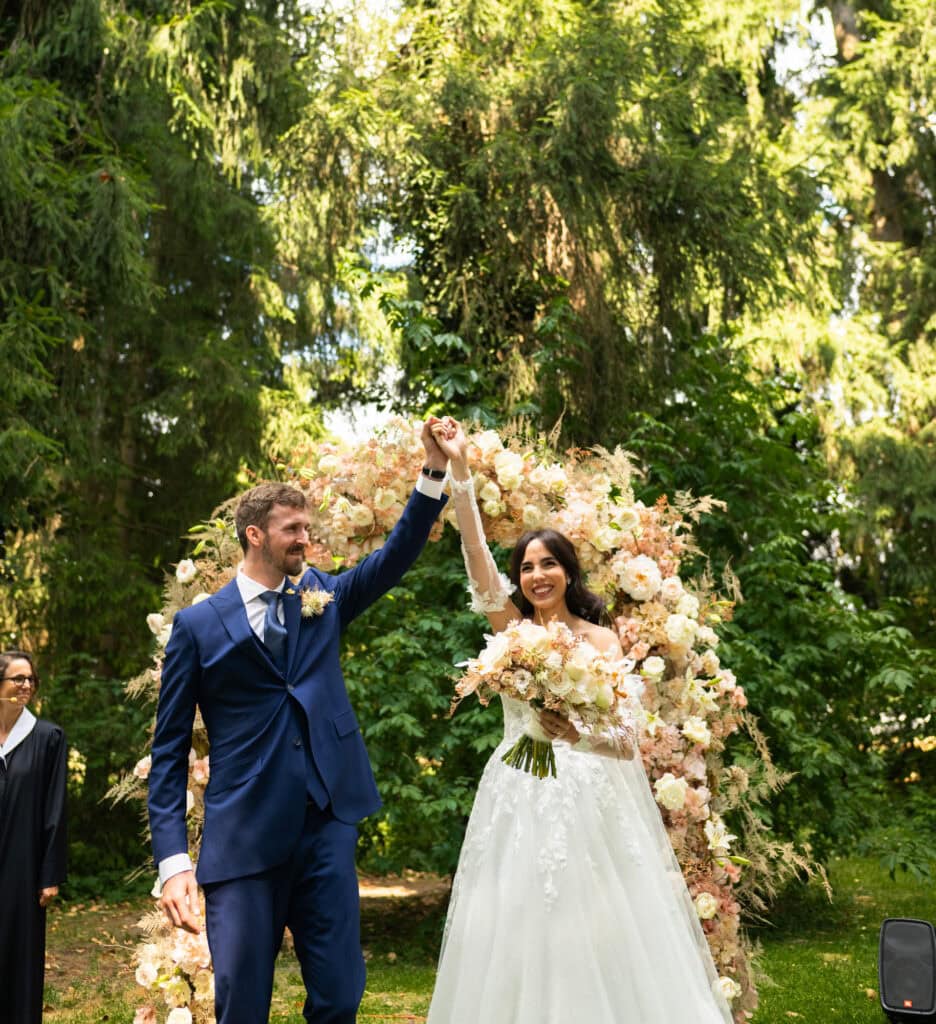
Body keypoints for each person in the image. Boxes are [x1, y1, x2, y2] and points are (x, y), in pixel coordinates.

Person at [425, 418, 733, 1024]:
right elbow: (474, 556)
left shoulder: (602, 641)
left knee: (595, 932)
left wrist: (577, 733)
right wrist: (459, 468)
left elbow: (626, 743)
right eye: (526, 568)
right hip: (515, 792)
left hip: (587, 800)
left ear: (569, 571)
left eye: (548, 565)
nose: (536, 576)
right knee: (511, 926)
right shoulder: (509, 634)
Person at [147, 421, 449, 1024]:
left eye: (308, 528)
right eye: (293, 530)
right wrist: (174, 862)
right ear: (255, 534)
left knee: (340, 997)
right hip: (244, 837)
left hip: (326, 824)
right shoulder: (199, 626)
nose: (305, 540)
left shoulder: (323, 600)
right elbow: (169, 747)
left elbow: (392, 560)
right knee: (242, 1006)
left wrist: (432, 474)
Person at [0, 650, 68, 1024]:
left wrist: (50, 873)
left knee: (21, 956)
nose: (26, 685)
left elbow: (55, 807)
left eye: (30, 679)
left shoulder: (47, 738)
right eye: (17, 679)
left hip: (24, 868)